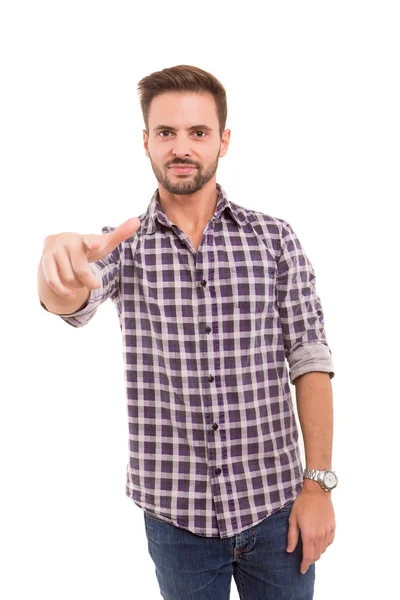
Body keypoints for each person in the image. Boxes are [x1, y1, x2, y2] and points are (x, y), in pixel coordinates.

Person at [38, 64, 337, 600]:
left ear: (223, 140)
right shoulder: (120, 247)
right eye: (166, 132)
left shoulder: (274, 239)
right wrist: (55, 269)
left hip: (278, 509)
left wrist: (318, 486)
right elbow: (71, 298)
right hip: (176, 520)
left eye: (198, 132)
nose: (182, 146)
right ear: (146, 142)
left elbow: (310, 359)